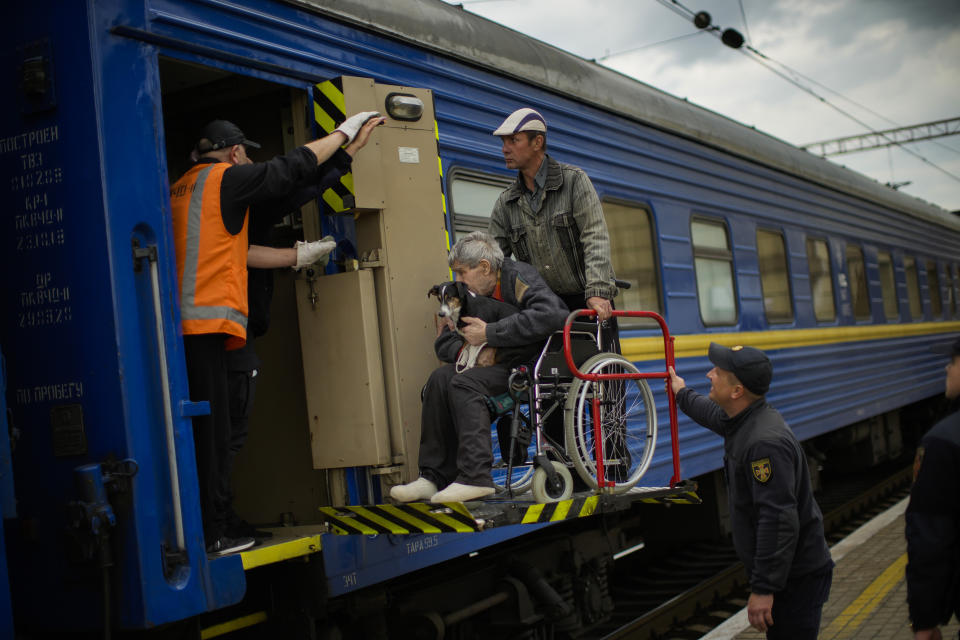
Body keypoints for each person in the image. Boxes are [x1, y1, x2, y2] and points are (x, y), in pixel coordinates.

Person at [169, 111, 383, 555]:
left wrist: (295, 256)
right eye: (246, 154)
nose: (248, 162)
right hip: (207, 324)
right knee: (218, 435)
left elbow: (241, 248)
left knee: (218, 431)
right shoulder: (225, 179)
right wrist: (341, 135)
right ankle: (213, 531)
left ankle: (222, 519)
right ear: (234, 153)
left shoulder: (185, 188)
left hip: (192, 328)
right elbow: (286, 171)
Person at [668, 344, 833, 638]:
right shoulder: (747, 420)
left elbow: (778, 519)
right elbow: (713, 415)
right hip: (790, 573)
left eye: (717, 372)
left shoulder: (763, 443)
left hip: (795, 579)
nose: (709, 374)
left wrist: (763, 589)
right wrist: (681, 393)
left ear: (736, 391)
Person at [389, 231, 568, 503]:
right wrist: (470, 349)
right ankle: (433, 477)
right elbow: (443, 344)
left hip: (525, 366)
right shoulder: (461, 296)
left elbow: (553, 315)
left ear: (485, 267)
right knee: (439, 379)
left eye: (462, 273)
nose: (457, 281)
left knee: (463, 383)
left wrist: (491, 334)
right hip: (482, 366)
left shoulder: (517, 276)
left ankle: (475, 478)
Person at [487, 107, 617, 334]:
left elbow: (595, 237)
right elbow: (491, 261)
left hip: (586, 303)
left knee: (596, 369)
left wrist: (597, 291)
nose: (504, 149)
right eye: (504, 142)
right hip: (542, 308)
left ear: (537, 142)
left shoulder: (574, 181)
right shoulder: (506, 203)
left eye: (513, 141)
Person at [906, 336, 960, 639]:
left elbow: (930, 538)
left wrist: (924, 619)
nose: (947, 368)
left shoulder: (943, 442)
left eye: (953, 361)